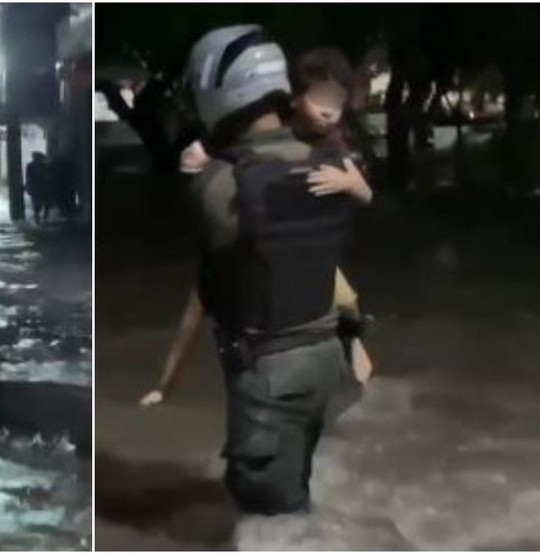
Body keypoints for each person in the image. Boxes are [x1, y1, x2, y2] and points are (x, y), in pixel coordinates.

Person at [169, 25, 361, 537]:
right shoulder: (329, 162)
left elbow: (209, 253)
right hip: (326, 362)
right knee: (294, 499)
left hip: (272, 374)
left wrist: (199, 165)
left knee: (268, 522)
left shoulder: (221, 183)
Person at [141, 46, 374, 409]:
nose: (329, 111)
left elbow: (364, 194)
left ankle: (353, 341)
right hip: (260, 242)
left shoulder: (333, 146)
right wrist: (205, 151)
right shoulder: (273, 127)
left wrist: (349, 184)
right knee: (203, 299)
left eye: (337, 102)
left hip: (303, 251)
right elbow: (233, 139)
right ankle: (166, 384)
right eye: (320, 99)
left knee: (342, 300)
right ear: (293, 97)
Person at [25, 151, 50, 224]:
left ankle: (39, 216)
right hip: (40, 187)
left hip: (38, 187)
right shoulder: (44, 166)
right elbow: (28, 177)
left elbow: (28, 177)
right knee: (42, 202)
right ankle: (42, 216)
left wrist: (28, 186)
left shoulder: (31, 166)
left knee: (39, 203)